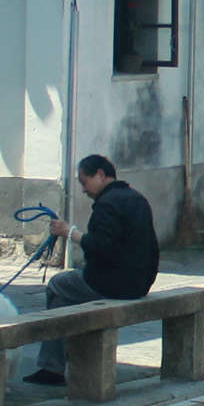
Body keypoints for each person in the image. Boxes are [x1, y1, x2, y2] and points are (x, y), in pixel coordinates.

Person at [27, 154, 159, 386]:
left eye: (84, 182)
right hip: (141, 282)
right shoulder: (137, 199)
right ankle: (58, 365)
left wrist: (69, 232)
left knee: (58, 286)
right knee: (66, 294)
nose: (83, 189)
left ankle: (53, 366)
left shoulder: (107, 205)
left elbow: (101, 246)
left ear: (100, 175)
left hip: (113, 283)